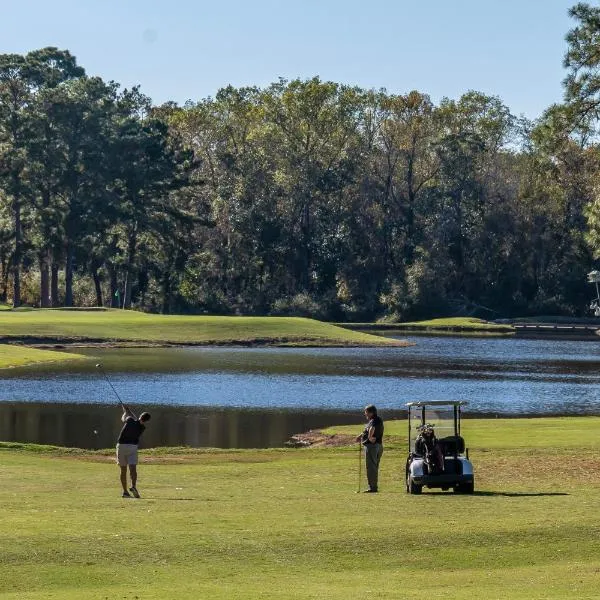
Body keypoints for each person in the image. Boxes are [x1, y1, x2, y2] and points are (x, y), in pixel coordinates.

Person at [116, 404, 151, 498]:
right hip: (132, 447)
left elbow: (124, 418)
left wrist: (125, 412)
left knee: (123, 469)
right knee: (133, 468)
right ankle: (133, 486)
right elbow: (136, 419)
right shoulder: (142, 428)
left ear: (140, 416)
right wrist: (128, 410)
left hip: (122, 446)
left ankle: (125, 492)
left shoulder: (130, 420)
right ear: (146, 421)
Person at [355, 404, 384, 493]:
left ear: (371, 413)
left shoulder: (374, 421)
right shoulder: (375, 420)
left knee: (371, 467)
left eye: (366, 412)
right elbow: (367, 429)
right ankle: (373, 486)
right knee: (374, 467)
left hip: (372, 447)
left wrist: (370, 437)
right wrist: (360, 436)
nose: (365, 414)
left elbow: (372, 428)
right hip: (377, 446)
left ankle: (373, 488)